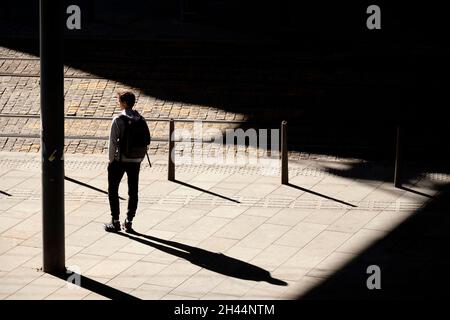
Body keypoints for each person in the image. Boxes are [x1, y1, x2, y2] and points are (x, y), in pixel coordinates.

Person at [104, 91, 150, 233]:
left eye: (119, 101)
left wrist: (111, 160)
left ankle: (115, 221)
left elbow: (112, 143)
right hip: (135, 160)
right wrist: (139, 158)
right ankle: (129, 221)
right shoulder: (140, 119)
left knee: (113, 189)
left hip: (120, 160)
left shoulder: (118, 120)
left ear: (123, 103)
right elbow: (147, 140)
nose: (119, 104)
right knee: (133, 191)